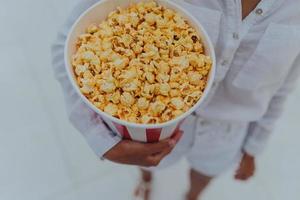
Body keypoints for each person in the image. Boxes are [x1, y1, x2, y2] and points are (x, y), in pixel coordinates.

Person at [51, 0, 300, 199]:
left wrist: (254, 146)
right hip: (151, 130)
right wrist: (100, 138)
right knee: (147, 164)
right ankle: (146, 179)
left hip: (227, 135)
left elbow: (280, 88)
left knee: (204, 175)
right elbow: (67, 45)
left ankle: (192, 196)